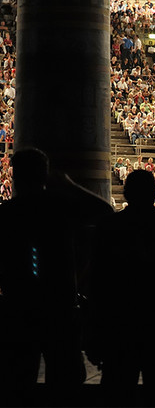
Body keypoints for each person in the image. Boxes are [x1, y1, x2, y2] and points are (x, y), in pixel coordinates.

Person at [0, 148, 110, 406]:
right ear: (45, 175)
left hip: (19, 307)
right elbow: (103, 210)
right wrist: (69, 184)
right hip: (58, 307)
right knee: (65, 382)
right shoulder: (59, 206)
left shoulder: (7, 213)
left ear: (15, 177)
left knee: (17, 381)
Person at [88, 170, 155, 407]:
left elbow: (96, 282)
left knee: (117, 390)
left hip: (118, 326)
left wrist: (93, 332)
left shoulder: (108, 228)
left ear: (125, 193)